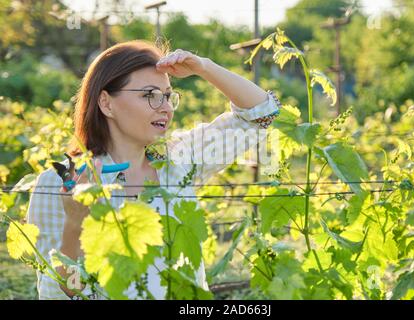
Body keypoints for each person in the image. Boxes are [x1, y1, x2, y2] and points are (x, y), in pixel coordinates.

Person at [26, 40, 281, 299]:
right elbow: (58, 294)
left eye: (168, 96)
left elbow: (262, 114)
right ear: (106, 103)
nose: (166, 107)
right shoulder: (62, 183)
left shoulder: (181, 159)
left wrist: (204, 67)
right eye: (150, 95)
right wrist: (75, 224)